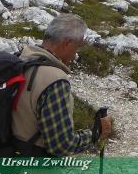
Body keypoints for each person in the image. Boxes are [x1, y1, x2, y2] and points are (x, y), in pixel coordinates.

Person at [11, 14, 112, 156]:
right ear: (67, 43)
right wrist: (96, 133)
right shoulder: (55, 80)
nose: (75, 55)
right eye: (77, 47)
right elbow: (62, 145)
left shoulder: (20, 60)